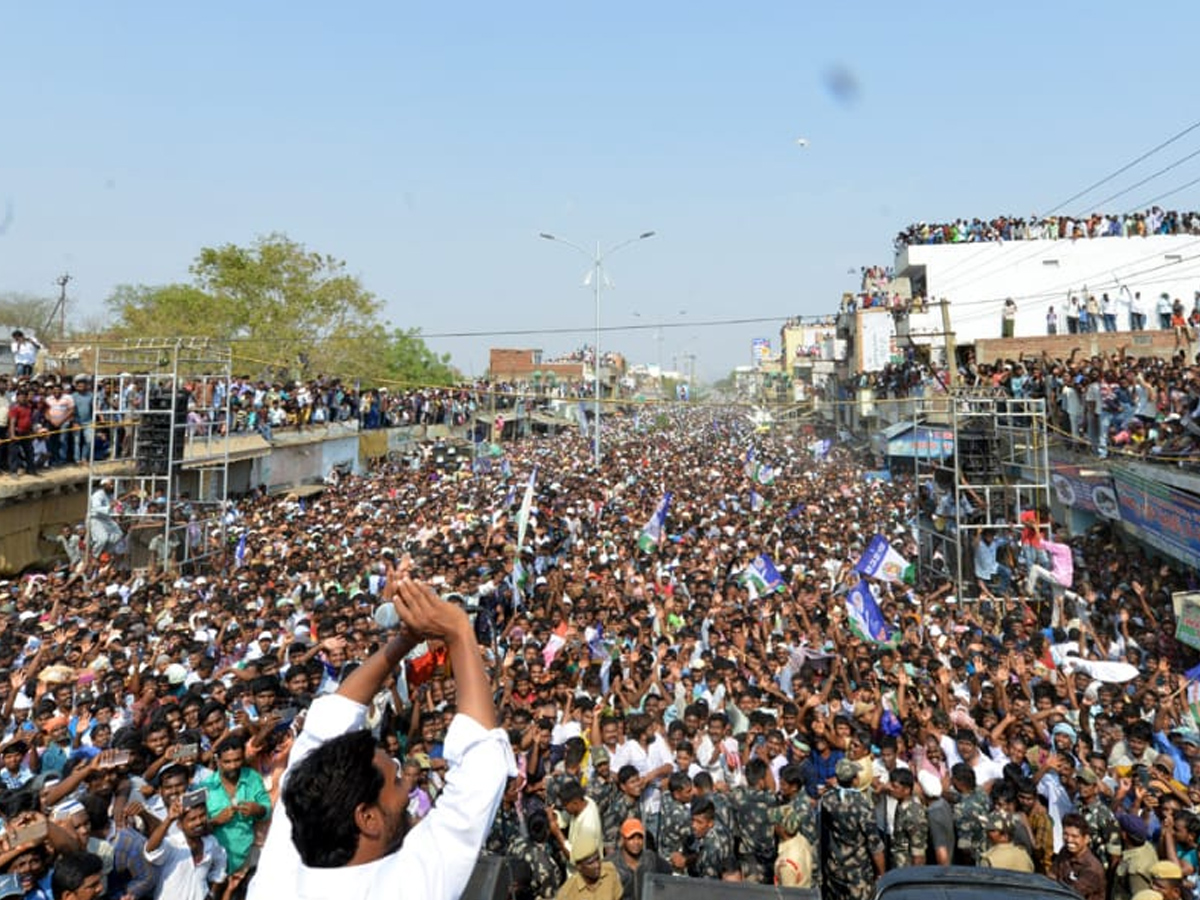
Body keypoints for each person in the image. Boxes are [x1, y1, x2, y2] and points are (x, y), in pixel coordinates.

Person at [249, 577, 514, 900]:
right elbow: (482, 765)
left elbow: (322, 730)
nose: (408, 789)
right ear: (367, 818)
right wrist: (458, 628)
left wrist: (405, 640)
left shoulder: (281, 870)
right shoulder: (405, 886)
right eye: (397, 781)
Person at [819, 759, 884, 900]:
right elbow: (875, 844)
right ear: (855, 780)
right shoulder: (862, 805)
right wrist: (881, 874)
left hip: (834, 868)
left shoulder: (827, 799)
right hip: (857, 873)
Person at [144, 793, 229, 900]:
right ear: (180, 824)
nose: (199, 822)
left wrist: (212, 893)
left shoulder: (211, 842)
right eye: (192, 819)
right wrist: (169, 819)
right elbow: (150, 852)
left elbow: (220, 866)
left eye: (202, 816)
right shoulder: (173, 844)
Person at [608, 818, 669, 900]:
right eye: (631, 838)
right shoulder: (610, 864)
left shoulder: (651, 858)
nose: (636, 842)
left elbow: (668, 879)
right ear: (623, 839)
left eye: (639, 838)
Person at [1052, 812, 1106, 900]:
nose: (1069, 840)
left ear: (1086, 839)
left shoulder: (1092, 868)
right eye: (1065, 834)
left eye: (1074, 836)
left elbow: (1071, 894)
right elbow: (1052, 876)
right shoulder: (1065, 851)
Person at [555, 836, 621, 900]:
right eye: (590, 863)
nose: (597, 865)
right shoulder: (567, 892)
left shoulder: (610, 872)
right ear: (579, 867)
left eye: (597, 859)